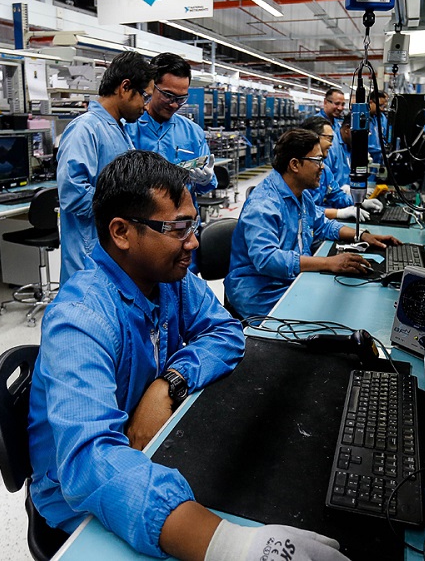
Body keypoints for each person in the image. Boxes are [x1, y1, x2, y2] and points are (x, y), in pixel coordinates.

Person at [29, 150, 350, 561]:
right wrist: (226, 545)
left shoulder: (166, 280)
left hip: (148, 446)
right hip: (79, 499)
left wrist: (169, 383)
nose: (193, 242)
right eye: (179, 228)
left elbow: (226, 330)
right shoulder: (80, 320)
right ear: (122, 232)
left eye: (193, 225)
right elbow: (90, 460)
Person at [225, 129, 402, 318]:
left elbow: (323, 225)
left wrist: (362, 235)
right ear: (295, 164)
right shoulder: (264, 205)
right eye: (318, 160)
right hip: (261, 292)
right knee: (333, 317)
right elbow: (267, 259)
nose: (323, 167)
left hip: (292, 281)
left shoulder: (302, 195)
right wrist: (328, 263)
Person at [56, 51, 153, 284]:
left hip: (113, 252)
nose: (146, 107)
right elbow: (71, 193)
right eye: (145, 97)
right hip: (89, 255)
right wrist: (122, 205)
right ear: (125, 87)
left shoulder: (117, 129)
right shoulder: (85, 129)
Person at [127, 52, 217, 198]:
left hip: (183, 216)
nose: (174, 104)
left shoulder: (192, 132)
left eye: (181, 98)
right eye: (168, 95)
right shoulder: (127, 127)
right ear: (151, 86)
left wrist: (205, 180)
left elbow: (205, 185)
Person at [300, 116, 370, 223]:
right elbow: (304, 210)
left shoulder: (325, 170)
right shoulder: (300, 171)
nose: (332, 144)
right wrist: (338, 213)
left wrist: (359, 201)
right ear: (313, 137)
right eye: (329, 138)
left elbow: (336, 195)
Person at [316, 87, 349, 190]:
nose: (340, 108)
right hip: (325, 187)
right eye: (337, 103)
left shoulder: (338, 126)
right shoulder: (316, 125)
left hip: (340, 186)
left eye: (343, 104)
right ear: (325, 102)